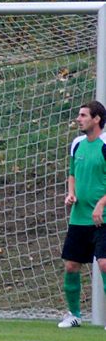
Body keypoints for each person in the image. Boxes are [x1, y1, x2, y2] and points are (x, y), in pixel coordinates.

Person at [58, 100, 106, 329]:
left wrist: (101, 204)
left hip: (102, 219)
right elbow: (72, 174)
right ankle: (74, 315)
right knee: (71, 266)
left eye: (83, 115)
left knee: (105, 264)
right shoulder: (77, 144)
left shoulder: (105, 144)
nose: (79, 119)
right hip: (79, 218)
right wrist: (71, 194)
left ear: (96, 119)